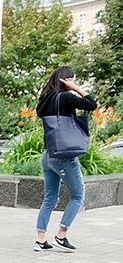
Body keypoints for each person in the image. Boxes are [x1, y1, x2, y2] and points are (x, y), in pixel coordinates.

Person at [35, 66, 97, 252]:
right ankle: (61, 235)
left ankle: (40, 239)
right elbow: (91, 104)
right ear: (66, 79)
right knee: (78, 196)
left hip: (48, 155)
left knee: (50, 198)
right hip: (64, 155)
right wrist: (77, 88)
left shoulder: (45, 99)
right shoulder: (66, 97)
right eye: (72, 79)